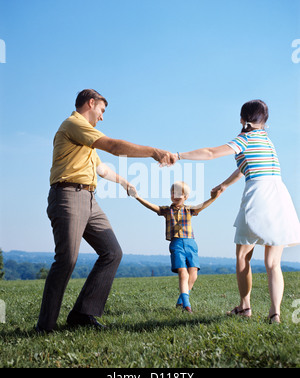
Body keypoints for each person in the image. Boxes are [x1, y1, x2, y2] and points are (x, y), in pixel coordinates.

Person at [36, 89, 175, 333]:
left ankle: (83, 313)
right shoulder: (73, 124)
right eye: (101, 110)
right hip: (67, 195)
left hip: (89, 198)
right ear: (91, 103)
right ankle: (45, 326)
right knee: (67, 259)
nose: (101, 117)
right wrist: (154, 151)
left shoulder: (85, 138)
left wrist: (124, 182)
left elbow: (101, 169)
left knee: (112, 252)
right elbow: (112, 145)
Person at [175, 100, 300, 323]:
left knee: (243, 256)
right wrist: (224, 184)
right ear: (265, 121)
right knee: (273, 263)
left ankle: (245, 307)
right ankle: (275, 314)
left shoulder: (245, 138)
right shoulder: (266, 141)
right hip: (280, 197)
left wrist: (179, 155)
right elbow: (245, 166)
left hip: (258, 196)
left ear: (242, 119)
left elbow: (211, 153)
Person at [131, 181, 220, 313]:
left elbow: (202, 206)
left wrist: (214, 198)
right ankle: (186, 305)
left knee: (193, 275)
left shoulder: (189, 210)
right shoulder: (167, 210)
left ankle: (181, 300)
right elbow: (152, 207)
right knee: (183, 274)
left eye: (180, 193)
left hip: (191, 243)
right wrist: (137, 196)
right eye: (173, 192)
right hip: (176, 244)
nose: (176, 195)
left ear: (186, 196)